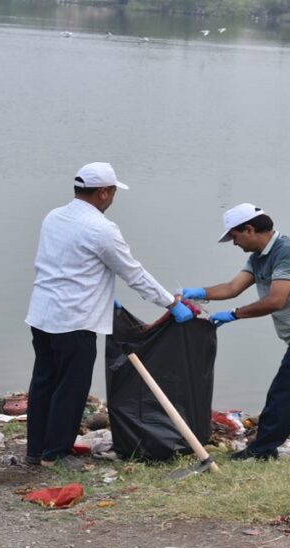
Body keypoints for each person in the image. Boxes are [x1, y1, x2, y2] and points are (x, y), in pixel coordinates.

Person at [25, 162, 194, 469]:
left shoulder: (54, 216)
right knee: (71, 387)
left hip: (43, 313)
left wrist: (104, 295)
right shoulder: (101, 229)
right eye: (113, 192)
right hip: (76, 319)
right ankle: (56, 454)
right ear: (103, 192)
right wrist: (171, 303)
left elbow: (65, 262)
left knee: (44, 381)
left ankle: (36, 451)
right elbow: (134, 273)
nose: (113, 198)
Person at [182, 203, 290, 460]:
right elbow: (232, 287)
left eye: (234, 236)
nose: (234, 243)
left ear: (249, 229)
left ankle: (262, 450)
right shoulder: (259, 257)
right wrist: (198, 293)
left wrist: (234, 314)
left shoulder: (289, 253)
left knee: (285, 391)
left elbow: (276, 300)